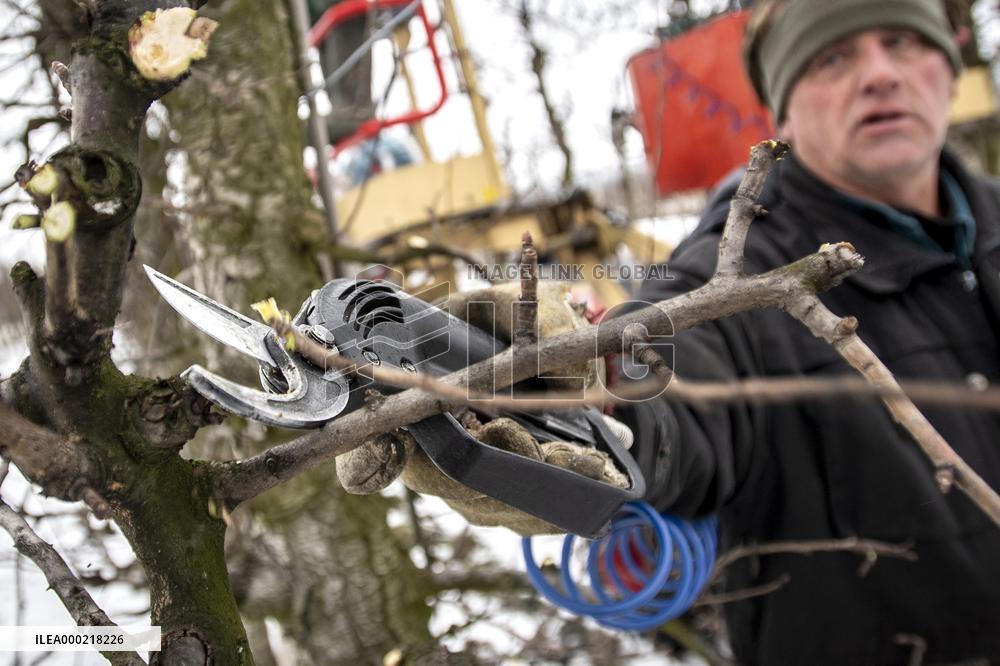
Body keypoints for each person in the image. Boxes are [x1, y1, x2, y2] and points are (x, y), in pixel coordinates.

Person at [339, 0, 1000, 663]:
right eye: (834, 57)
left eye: (902, 42)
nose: (880, 75)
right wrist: (586, 397)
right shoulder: (735, 277)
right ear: (783, 106)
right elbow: (664, 378)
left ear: (949, 61)